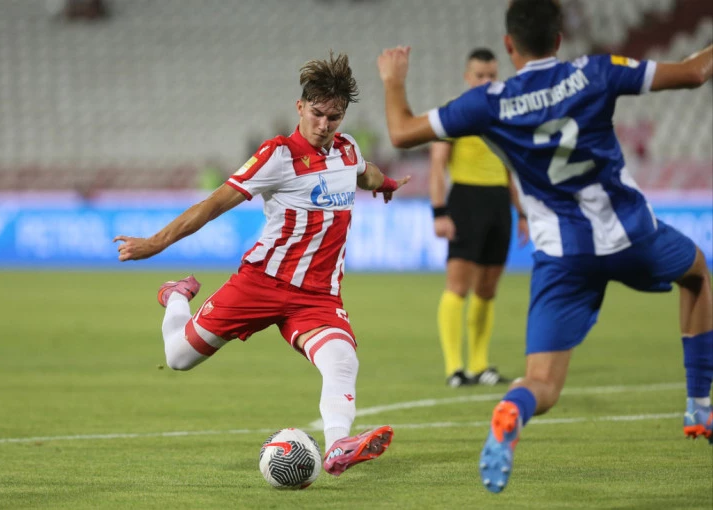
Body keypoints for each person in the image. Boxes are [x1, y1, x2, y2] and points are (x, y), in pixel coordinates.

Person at [377, 0, 713, 493]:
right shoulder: (595, 71)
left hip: (562, 254)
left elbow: (402, 131)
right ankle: (699, 406)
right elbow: (694, 72)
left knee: (543, 383)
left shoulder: (489, 101)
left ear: (509, 45)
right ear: (559, 39)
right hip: (630, 234)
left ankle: (513, 409)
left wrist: (393, 81)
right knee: (697, 273)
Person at [115, 51, 409, 477]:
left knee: (342, 359)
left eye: (334, 117)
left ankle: (338, 446)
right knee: (178, 357)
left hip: (317, 296)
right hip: (262, 283)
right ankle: (176, 296)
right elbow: (213, 205)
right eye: (317, 114)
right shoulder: (278, 155)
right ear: (300, 107)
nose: (324, 125)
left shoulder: (346, 150)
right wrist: (155, 243)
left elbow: (366, 173)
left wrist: (387, 183)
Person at [429, 48, 529, 388]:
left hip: (499, 203)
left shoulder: (504, 114)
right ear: (467, 77)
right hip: (466, 202)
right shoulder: (454, 113)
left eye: (491, 75)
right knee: (458, 286)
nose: (486, 81)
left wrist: (521, 212)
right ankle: (454, 368)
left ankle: (479, 364)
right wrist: (439, 211)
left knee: (487, 289)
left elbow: (509, 167)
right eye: (480, 75)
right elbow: (437, 165)